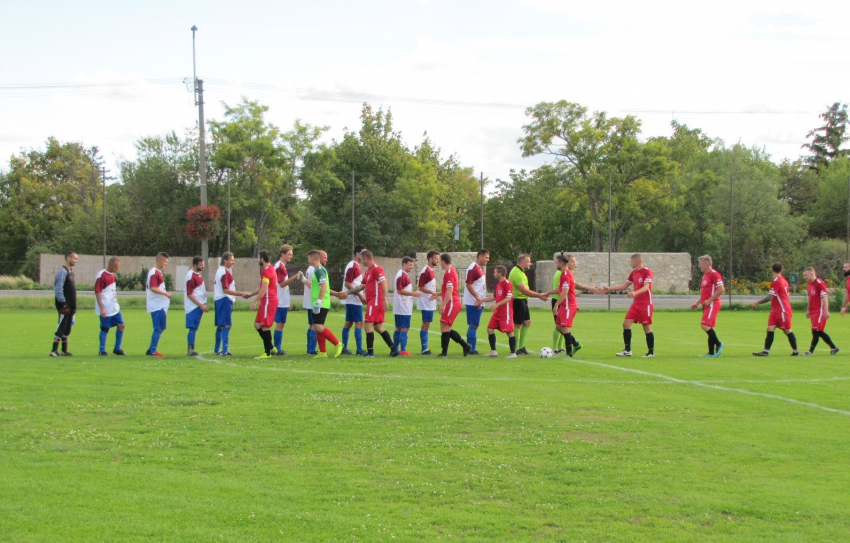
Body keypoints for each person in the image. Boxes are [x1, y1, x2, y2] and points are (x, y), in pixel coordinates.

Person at [602, 253, 655, 358]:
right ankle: (627, 350)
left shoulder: (647, 271)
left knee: (646, 327)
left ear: (637, 261)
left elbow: (646, 287)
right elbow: (625, 286)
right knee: (626, 324)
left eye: (632, 261)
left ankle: (651, 352)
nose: (631, 263)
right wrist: (609, 288)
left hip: (646, 304)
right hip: (636, 304)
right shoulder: (634, 272)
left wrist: (634, 293)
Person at [349, 250, 399, 357]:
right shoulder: (368, 271)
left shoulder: (376, 269)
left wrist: (385, 299)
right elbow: (361, 286)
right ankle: (394, 349)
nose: (361, 261)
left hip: (375, 302)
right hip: (372, 302)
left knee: (367, 325)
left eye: (362, 259)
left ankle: (370, 352)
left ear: (367, 258)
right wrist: (347, 292)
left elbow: (384, 283)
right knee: (378, 326)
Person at [552, 253, 599, 357]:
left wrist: (556, 305)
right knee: (559, 327)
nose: (555, 265)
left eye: (556, 263)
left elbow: (564, 292)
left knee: (564, 328)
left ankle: (569, 353)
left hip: (568, 305)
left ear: (561, 263)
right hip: (565, 305)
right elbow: (564, 288)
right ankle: (576, 344)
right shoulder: (565, 274)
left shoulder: (565, 274)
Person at [750, 263, 799, 356]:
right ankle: (766, 351)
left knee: (787, 330)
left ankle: (795, 351)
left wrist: (757, 302)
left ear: (772, 269)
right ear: (782, 270)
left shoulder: (777, 281)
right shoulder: (784, 281)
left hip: (782, 309)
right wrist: (790, 307)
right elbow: (788, 296)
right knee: (770, 328)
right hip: (777, 309)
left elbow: (770, 297)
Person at [509, 254, 549, 355]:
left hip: (523, 300)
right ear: (522, 262)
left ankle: (521, 346)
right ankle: (516, 348)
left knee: (527, 322)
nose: (530, 263)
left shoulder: (521, 272)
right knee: (518, 324)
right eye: (528, 261)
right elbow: (524, 291)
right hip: (518, 300)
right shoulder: (517, 273)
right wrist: (539, 295)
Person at [307, 249, 343, 358]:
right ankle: (323, 352)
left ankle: (338, 343)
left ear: (313, 258)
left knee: (317, 326)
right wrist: (304, 280)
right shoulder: (317, 270)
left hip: (322, 303)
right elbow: (315, 286)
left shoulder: (319, 270)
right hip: (319, 303)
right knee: (319, 326)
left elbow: (323, 287)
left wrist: (319, 300)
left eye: (308, 258)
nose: (308, 260)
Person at [477, 265, 517, 358]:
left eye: (495, 272)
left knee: (509, 331)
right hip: (497, 313)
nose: (493, 274)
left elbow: (508, 298)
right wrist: (481, 300)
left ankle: (513, 353)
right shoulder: (499, 284)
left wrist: (497, 304)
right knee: (490, 329)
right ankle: (493, 351)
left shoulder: (507, 283)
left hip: (505, 313)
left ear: (500, 273)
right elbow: (493, 297)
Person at [213, 252, 249, 357]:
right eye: (232, 260)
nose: (234, 262)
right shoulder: (224, 272)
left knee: (220, 325)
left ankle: (216, 349)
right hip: (224, 300)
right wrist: (241, 293)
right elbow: (226, 290)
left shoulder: (220, 270)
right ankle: (224, 351)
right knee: (227, 325)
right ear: (225, 260)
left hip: (219, 300)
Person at [690, 255, 725, 357]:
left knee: (704, 325)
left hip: (713, 304)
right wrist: (697, 303)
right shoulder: (705, 276)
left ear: (707, 264)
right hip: (707, 304)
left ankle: (719, 344)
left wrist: (710, 301)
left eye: (701, 263)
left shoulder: (714, 274)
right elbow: (705, 294)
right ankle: (711, 352)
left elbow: (721, 289)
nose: (699, 265)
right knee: (710, 327)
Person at [437, 253, 472, 357]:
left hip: (452, 303)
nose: (440, 263)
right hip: (452, 302)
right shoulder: (451, 271)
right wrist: (437, 294)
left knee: (445, 327)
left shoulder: (449, 273)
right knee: (444, 327)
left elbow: (450, 290)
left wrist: (443, 304)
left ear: (443, 261)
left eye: (440, 261)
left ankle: (445, 353)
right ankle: (465, 346)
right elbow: (447, 289)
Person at [246, 250, 278, 359]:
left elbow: (264, 289)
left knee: (265, 326)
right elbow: (262, 287)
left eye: (259, 257)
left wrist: (255, 301)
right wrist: (250, 294)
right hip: (266, 300)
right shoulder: (269, 269)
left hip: (269, 301)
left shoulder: (266, 271)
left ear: (262, 259)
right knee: (257, 325)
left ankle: (267, 352)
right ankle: (271, 347)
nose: (258, 259)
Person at [802, 267, 839, 356]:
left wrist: (826, 311)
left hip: (820, 311)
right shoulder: (810, 285)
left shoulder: (820, 283)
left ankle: (810, 352)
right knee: (819, 332)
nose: (804, 277)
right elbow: (810, 299)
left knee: (815, 330)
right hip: (813, 311)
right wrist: (808, 310)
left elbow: (824, 298)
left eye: (806, 275)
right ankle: (834, 347)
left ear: (812, 274)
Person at [273, 245, 302, 356]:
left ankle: (278, 347)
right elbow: (282, 284)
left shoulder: (282, 266)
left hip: (282, 300)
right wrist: (295, 276)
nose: (291, 256)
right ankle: (277, 348)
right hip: (279, 300)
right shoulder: (279, 266)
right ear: (283, 254)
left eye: (291, 254)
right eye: (289, 254)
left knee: (282, 323)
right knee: (280, 323)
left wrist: (288, 300)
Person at [94, 257, 125, 356]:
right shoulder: (101, 275)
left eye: (118, 267)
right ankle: (102, 350)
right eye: (116, 267)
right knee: (105, 328)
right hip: (106, 306)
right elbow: (98, 292)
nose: (117, 269)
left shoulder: (112, 275)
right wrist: (102, 307)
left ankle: (117, 348)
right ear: (110, 265)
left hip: (113, 306)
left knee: (121, 325)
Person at [393, 257, 423, 356]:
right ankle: (403, 350)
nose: (411, 267)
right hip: (403, 306)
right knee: (404, 328)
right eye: (410, 265)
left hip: (401, 306)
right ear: (404, 264)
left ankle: (395, 349)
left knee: (398, 328)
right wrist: (413, 294)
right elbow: (400, 290)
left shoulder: (402, 274)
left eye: (412, 265)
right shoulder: (402, 275)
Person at [341, 245, 367, 355]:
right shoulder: (353, 266)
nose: (365, 256)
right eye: (363, 253)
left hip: (352, 299)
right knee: (359, 323)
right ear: (357, 254)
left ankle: (344, 348)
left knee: (348, 323)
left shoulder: (354, 265)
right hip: (353, 299)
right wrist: (360, 295)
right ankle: (359, 350)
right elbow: (348, 284)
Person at [51, 251, 77, 357]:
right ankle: (54, 351)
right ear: (68, 258)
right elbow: (58, 289)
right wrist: (63, 303)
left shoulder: (71, 272)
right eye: (74, 258)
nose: (76, 261)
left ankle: (64, 351)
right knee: (61, 326)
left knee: (67, 328)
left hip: (71, 305)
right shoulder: (62, 272)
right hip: (64, 305)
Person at [146, 252, 172, 357]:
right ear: (159, 260)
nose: (166, 264)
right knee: (159, 328)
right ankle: (152, 351)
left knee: (160, 327)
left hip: (159, 304)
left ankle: (151, 349)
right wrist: (165, 293)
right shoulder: (154, 273)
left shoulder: (158, 272)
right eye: (165, 261)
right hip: (157, 305)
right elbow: (153, 287)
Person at [463, 249, 490, 355]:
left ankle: (469, 347)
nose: (488, 259)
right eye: (486, 257)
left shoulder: (478, 268)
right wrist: (477, 298)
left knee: (473, 325)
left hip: (478, 301)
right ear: (480, 257)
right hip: (474, 302)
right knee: (473, 325)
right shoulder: (473, 268)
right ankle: (472, 349)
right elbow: (468, 284)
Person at [184, 256, 210, 357]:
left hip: (197, 306)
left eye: (203, 264)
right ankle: (190, 350)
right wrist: (201, 305)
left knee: (194, 328)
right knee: (193, 328)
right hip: (193, 306)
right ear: (195, 265)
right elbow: (189, 294)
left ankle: (191, 349)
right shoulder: (191, 276)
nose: (203, 266)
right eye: (201, 265)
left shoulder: (196, 274)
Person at [416, 250, 441, 355]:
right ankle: (424, 349)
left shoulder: (430, 270)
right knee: (426, 323)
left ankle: (425, 348)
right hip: (426, 302)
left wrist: (435, 295)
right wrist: (432, 292)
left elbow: (430, 286)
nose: (438, 261)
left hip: (430, 302)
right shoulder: (425, 271)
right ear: (430, 259)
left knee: (427, 324)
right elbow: (420, 287)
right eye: (436, 259)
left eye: (438, 259)